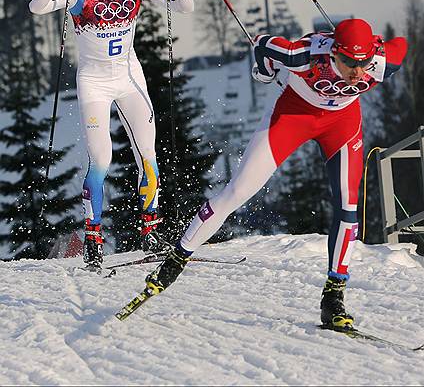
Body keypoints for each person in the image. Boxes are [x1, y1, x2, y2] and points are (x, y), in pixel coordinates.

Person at [141, 18, 407, 328]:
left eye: (362, 63)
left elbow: (401, 44)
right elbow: (263, 44)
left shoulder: (382, 61)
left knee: (348, 207)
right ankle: (176, 259)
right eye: (348, 61)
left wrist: (369, 47)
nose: (357, 71)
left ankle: (334, 297)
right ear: (334, 52)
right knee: (238, 191)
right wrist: (265, 72)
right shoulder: (303, 54)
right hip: (294, 114)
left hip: (342, 123)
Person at [29, 0, 194, 268]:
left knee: (148, 154)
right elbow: (37, 6)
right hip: (94, 84)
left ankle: (151, 229)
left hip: (130, 80)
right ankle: (93, 237)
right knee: (101, 159)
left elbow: (185, 6)